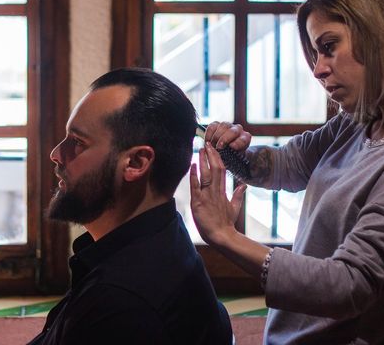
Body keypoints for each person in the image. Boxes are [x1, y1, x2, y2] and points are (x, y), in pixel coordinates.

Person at [190, 0, 384, 344]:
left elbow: (347, 285)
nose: (318, 69)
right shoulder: (360, 122)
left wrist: (226, 237)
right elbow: (287, 165)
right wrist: (231, 151)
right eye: (315, 53)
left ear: (381, 34)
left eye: (328, 47)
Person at [28, 67, 233, 345]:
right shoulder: (162, 238)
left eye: (77, 142)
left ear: (136, 163)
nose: (56, 154)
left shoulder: (120, 304)